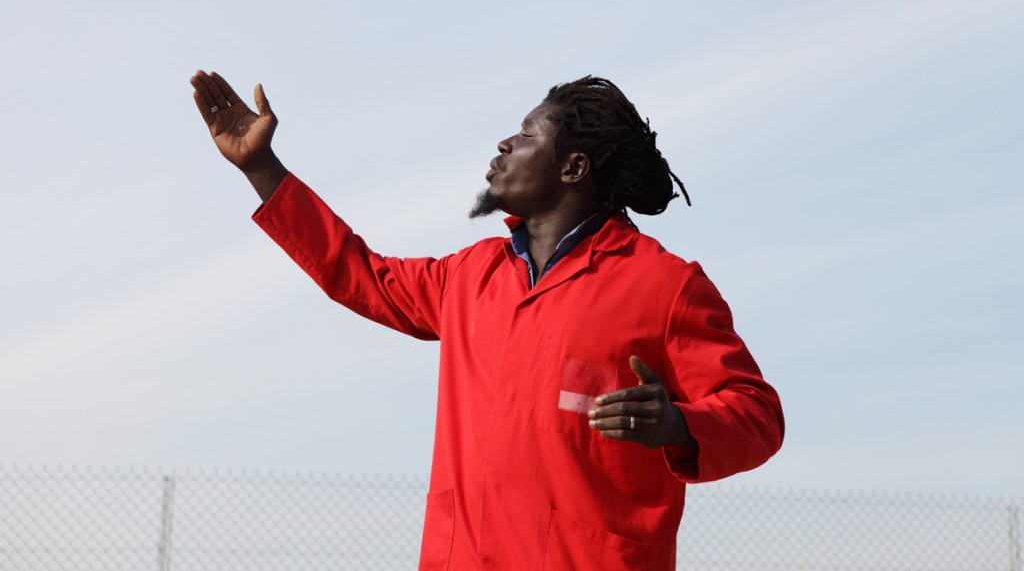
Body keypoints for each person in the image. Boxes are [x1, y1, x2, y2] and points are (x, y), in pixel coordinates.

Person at [189, 70, 784, 571]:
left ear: (574, 167)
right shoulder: (468, 277)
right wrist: (261, 167)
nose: (503, 144)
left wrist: (680, 424)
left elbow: (757, 413)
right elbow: (356, 272)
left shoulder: (664, 284)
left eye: (526, 134)